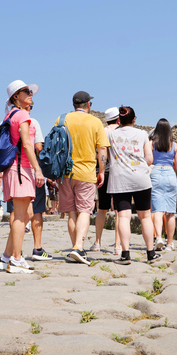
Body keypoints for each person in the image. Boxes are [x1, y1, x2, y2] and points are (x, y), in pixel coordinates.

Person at [54, 91, 109, 265]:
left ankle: (75, 248)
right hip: (85, 172)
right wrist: (101, 171)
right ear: (88, 105)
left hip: (65, 173)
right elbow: (102, 150)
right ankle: (78, 247)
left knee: (71, 212)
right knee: (85, 210)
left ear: (74, 105)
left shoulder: (62, 120)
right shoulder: (95, 122)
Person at [0, 80, 46, 274]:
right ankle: (16, 259)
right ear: (16, 96)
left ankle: (6, 256)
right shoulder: (22, 115)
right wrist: (38, 170)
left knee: (25, 214)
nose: (30, 93)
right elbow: (27, 144)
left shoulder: (10, 115)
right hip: (20, 168)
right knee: (20, 216)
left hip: (15, 169)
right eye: (26, 91)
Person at [107, 106, 162, 265]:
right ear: (134, 119)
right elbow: (150, 159)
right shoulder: (143, 134)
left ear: (119, 120)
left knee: (123, 216)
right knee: (145, 216)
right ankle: (150, 254)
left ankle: (125, 254)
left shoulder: (111, 135)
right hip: (140, 179)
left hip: (119, 179)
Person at [150, 118, 177, 252]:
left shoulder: (151, 144)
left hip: (155, 174)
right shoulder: (175, 146)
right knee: (170, 212)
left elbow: (148, 161)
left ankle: (159, 237)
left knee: (157, 210)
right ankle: (170, 243)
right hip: (170, 174)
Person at [91, 107, 120, 254]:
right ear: (118, 119)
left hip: (104, 171)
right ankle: (118, 245)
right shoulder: (121, 131)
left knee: (102, 208)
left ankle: (97, 242)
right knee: (119, 210)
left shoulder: (102, 131)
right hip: (119, 172)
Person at [26, 101, 52, 261]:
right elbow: (39, 148)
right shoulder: (32, 122)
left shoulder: (6, 121)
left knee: (16, 212)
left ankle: (15, 250)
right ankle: (37, 248)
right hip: (30, 169)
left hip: (13, 172)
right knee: (36, 210)